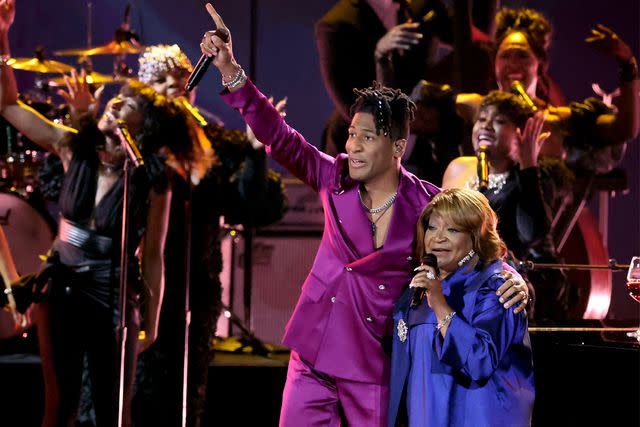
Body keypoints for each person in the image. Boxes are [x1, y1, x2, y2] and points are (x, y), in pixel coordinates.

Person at [197, 3, 528, 425]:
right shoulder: (332, 177)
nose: (352, 145)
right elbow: (281, 138)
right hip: (314, 351)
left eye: (365, 137)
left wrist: (518, 282)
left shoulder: (427, 204)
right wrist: (231, 71)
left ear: (395, 147)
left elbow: (484, 248)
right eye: (352, 133)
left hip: (376, 362)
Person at [0, 1, 190, 424]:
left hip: (114, 297)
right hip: (61, 289)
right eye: (113, 104)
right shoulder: (73, 147)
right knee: (60, 404)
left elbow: (154, 253)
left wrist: (152, 321)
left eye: (125, 107)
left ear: (143, 127)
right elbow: (9, 105)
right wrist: (1, 34)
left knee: (112, 407)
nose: (113, 108)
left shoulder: (150, 175)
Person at [132, 43, 286, 427]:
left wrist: (253, 151)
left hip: (194, 283)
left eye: (183, 82)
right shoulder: (132, 146)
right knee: (137, 387)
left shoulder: (212, 144)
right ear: (145, 89)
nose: (177, 89)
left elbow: (250, 207)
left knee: (185, 388)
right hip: (137, 283)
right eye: (164, 82)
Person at [388, 188, 534, 426]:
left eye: (453, 229)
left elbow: (479, 362)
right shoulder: (417, 288)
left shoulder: (498, 288)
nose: (438, 238)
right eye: (432, 227)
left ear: (476, 237)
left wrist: (439, 304)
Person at [443, 90, 571, 320]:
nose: (486, 126)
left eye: (499, 121)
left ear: (520, 134)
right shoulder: (459, 168)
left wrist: (528, 166)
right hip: (457, 279)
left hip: (509, 286)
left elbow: (531, 234)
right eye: (482, 119)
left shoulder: (534, 178)